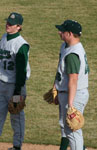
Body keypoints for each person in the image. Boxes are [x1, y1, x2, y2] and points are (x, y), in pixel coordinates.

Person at [0, 12, 30, 150]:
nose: (7, 25)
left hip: (15, 85)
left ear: (19, 27)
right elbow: (0, 61)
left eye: (11, 24)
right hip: (2, 84)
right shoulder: (3, 38)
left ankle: (17, 146)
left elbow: (22, 71)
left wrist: (17, 91)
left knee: (16, 117)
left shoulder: (21, 45)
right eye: (7, 22)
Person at [54, 20, 89, 150]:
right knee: (67, 128)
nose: (59, 32)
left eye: (62, 31)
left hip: (75, 94)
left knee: (73, 131)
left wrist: (71, 105)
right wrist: (56, 88)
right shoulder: (66, 46)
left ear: (69, 34)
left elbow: (73, 80)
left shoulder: (73, 54)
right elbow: (60, 70)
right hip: (67, 92)